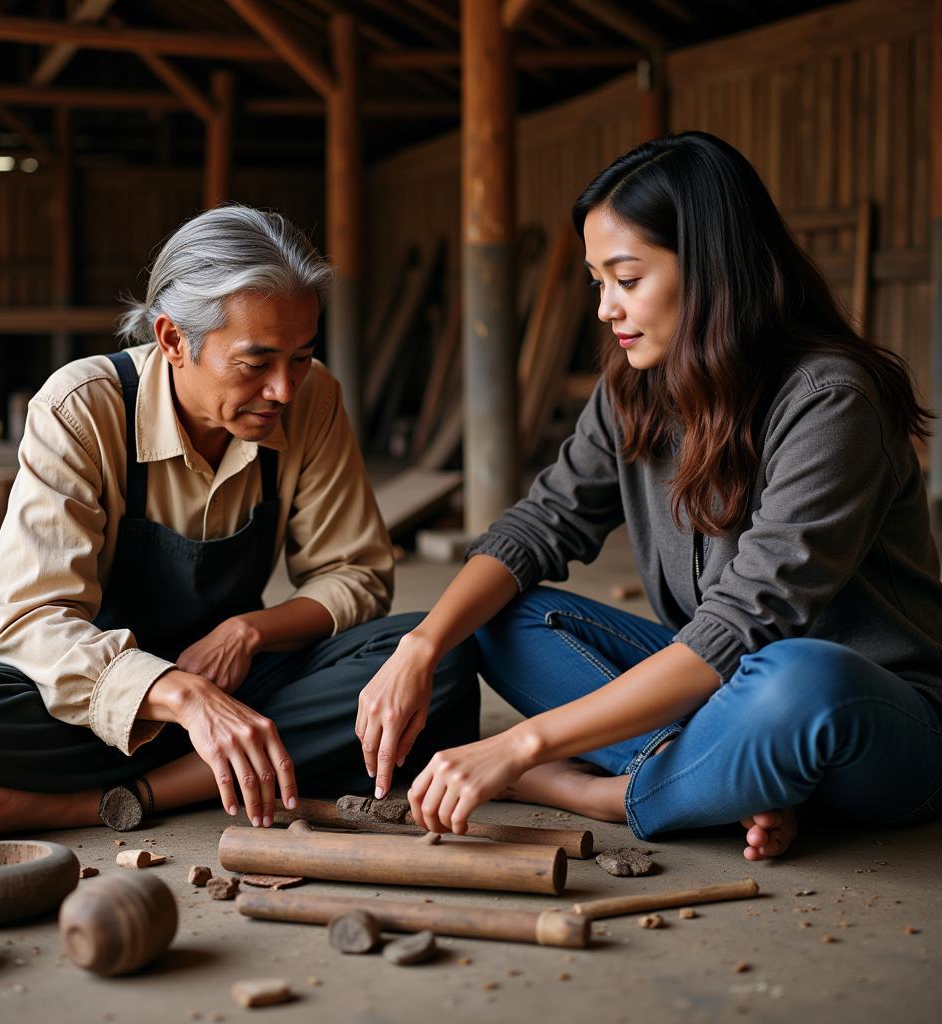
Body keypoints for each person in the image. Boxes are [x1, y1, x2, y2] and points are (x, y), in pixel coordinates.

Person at [355, 131, 942, 861]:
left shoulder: (831, 401)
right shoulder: (636, 386)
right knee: (495, 613)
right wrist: (420, 646)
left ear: (714, 272)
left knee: (800, 679)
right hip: (719, 689)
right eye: (597, 280)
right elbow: (541, 523)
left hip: (868, 718)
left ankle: (605, 791)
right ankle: (713, 774)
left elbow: (745, 626)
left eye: (626, 279)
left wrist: (521, 748)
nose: (605, 308)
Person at [0, 205, 479, 844]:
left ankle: (107, 798)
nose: (284, 390)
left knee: (439, 657)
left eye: (300, 357)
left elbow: (356, 574)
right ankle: (244, 758)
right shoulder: (82, 407)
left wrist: (248, 631)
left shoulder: (313, 399)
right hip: (101, 692)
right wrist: (179, 695)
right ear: (173, 339)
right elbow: (32, 619)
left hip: (244, 687)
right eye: (256, 362)